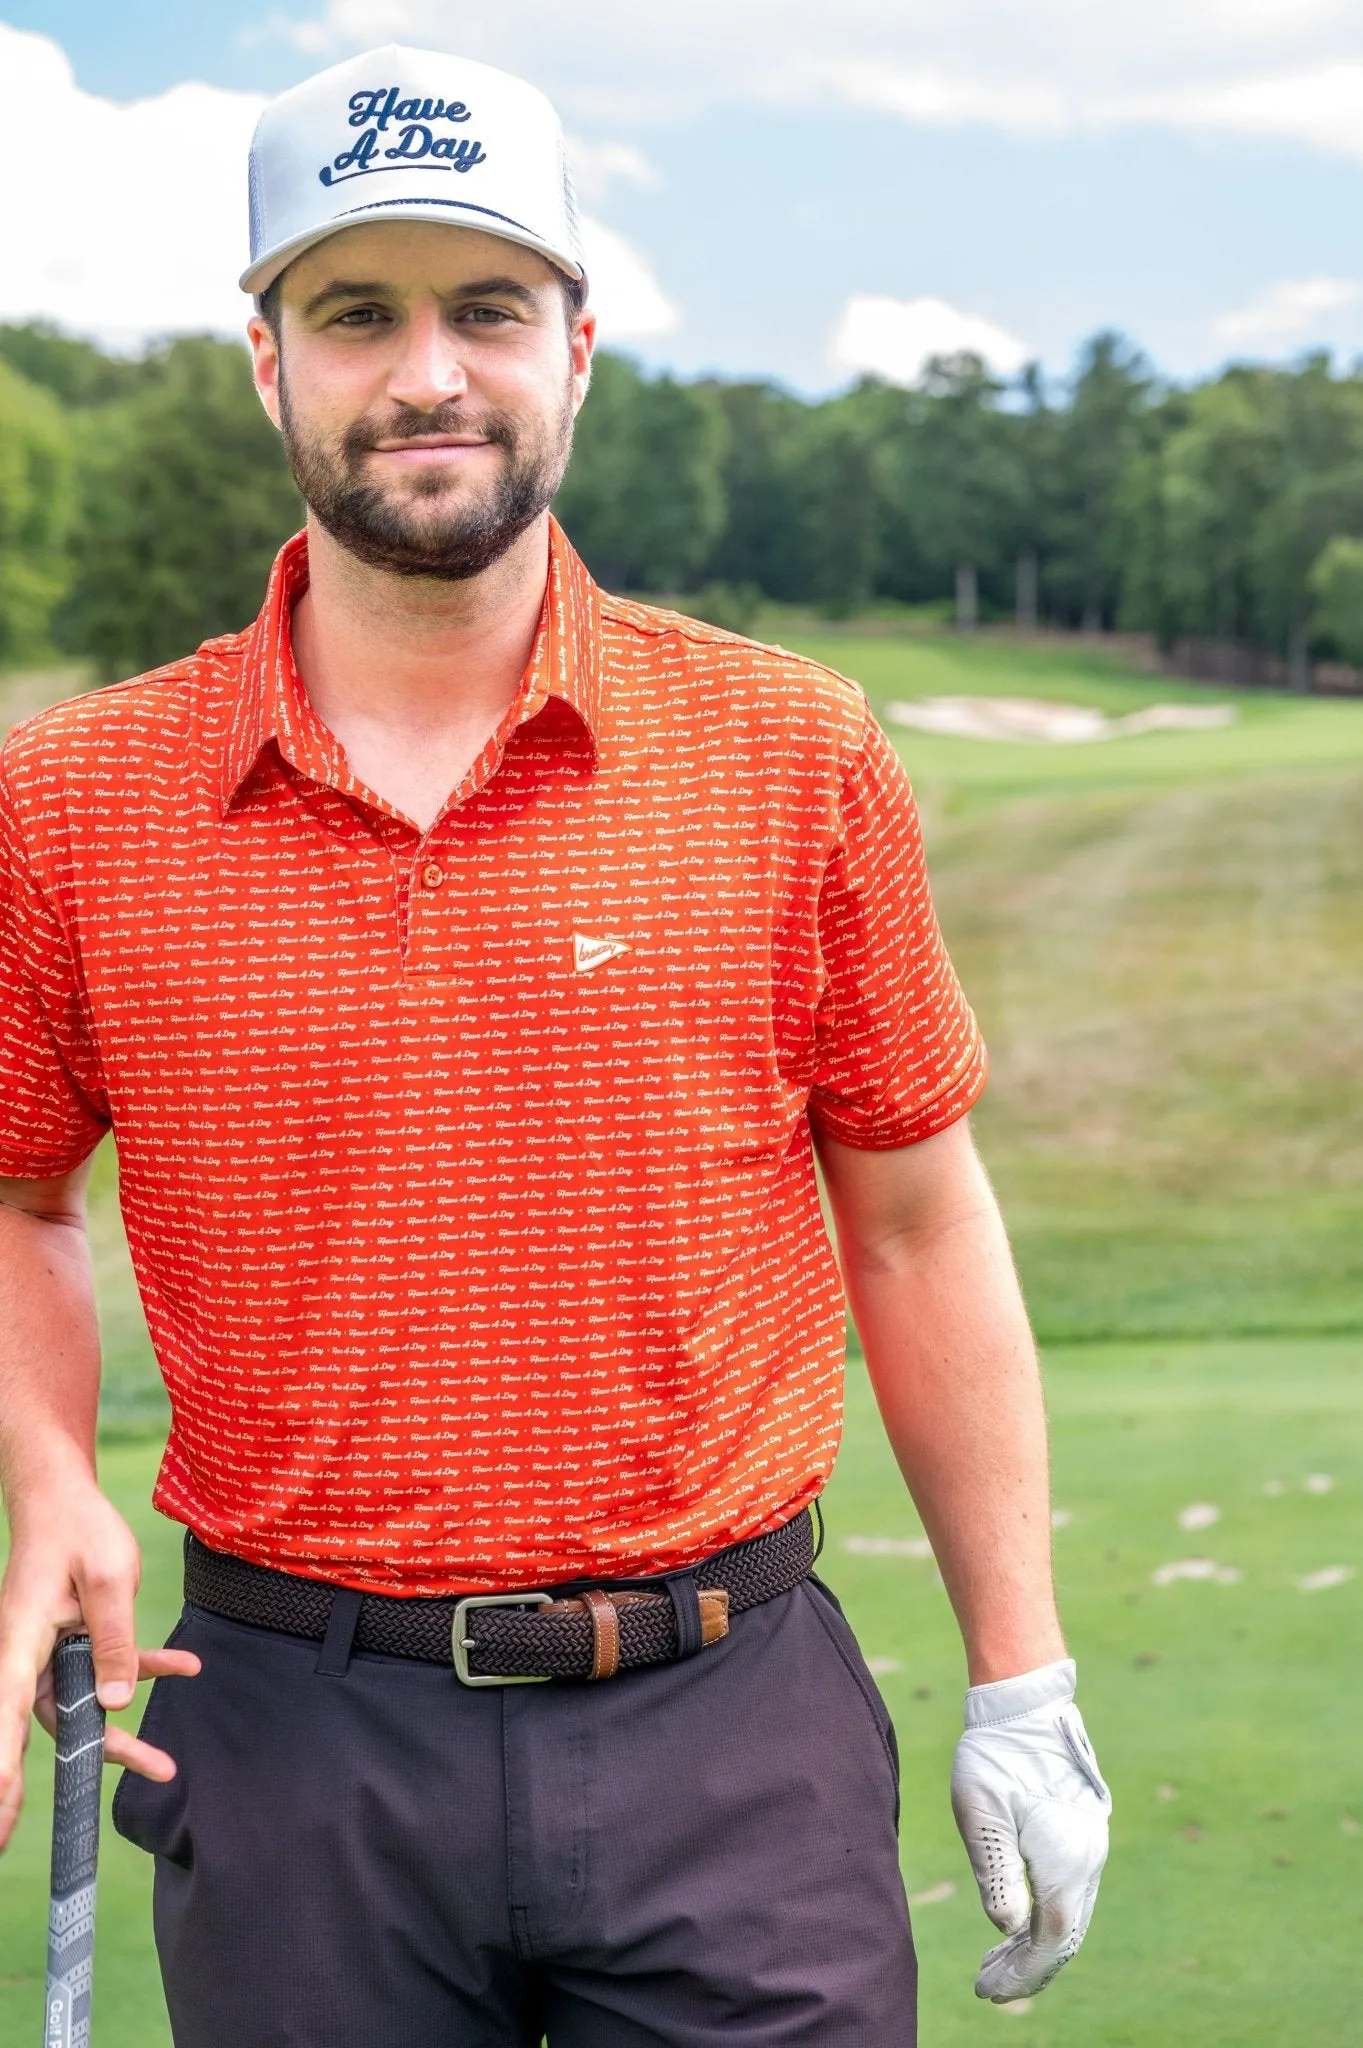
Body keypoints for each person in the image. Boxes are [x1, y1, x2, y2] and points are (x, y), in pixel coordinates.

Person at [0, 44, 1109, 2047]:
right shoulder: (78, 800)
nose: (428, 371)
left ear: (575, 349)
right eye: (355, 313)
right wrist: (51, 1471)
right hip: (295, 1737)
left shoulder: (792, 752)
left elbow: (922, 1229)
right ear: (269, 363)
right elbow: (14, 1197)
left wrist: (1021, 1675)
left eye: (486, 308)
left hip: (729, 1731)